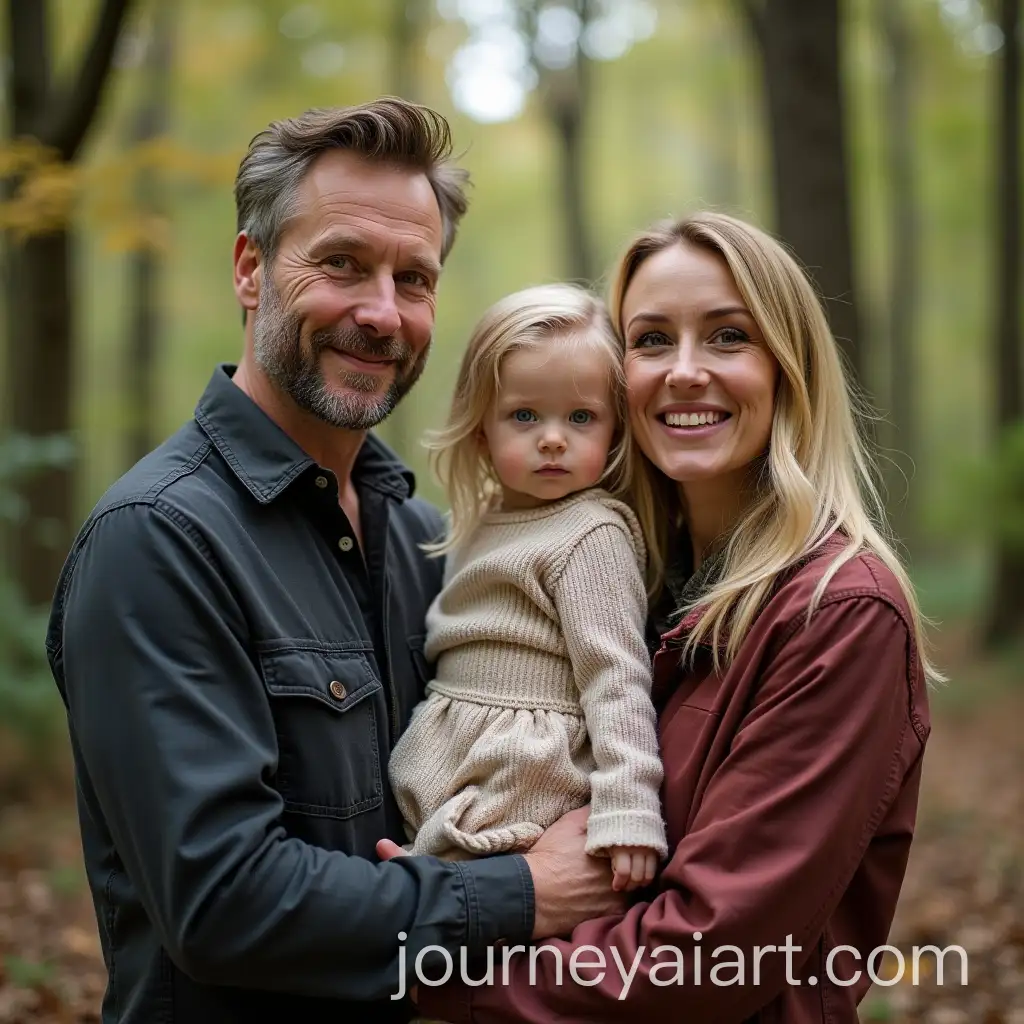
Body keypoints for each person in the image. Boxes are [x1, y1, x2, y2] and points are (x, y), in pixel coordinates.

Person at [44, 99, 624, 1024]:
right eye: (343, 265)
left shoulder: (424, 538)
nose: (382, 313)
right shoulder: (157, 541)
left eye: (415, 279)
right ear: (251, 269)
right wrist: (523, 893)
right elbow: (223, 901)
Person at [407, 211, 935, 1023]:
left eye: (728, 336)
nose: (684, 371)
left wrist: (413, 965)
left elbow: (703, 953)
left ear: (790, 366)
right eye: (652, 340)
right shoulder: (633, 580)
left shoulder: (839, 614)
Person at [388, 283, 667, 890]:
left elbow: (616, 677)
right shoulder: (476, 524)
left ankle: (435, 887)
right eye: (524, 415)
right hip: (457, 749)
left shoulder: (591, 533)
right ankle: (424, 885)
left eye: (581, 418)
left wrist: (630, 806)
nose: (552, 438)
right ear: (482, 431)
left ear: (614, 433)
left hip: (531, 766)